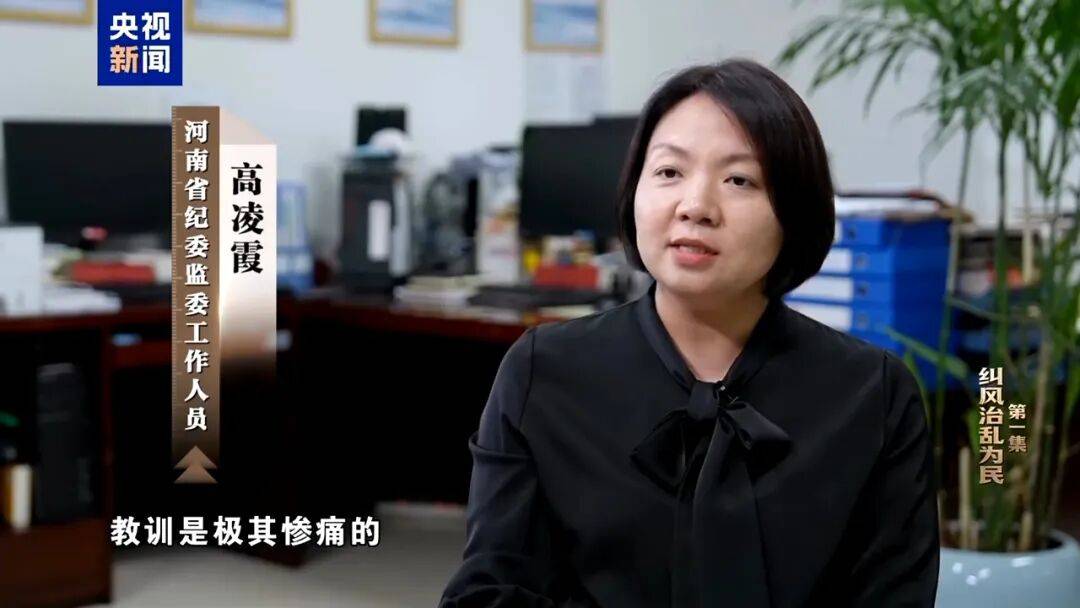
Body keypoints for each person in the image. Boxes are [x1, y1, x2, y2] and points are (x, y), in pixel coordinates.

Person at [439, 58, 940, 608]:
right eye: (669, 172)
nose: (696, 206)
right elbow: (486, 593)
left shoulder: (873, 396)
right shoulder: (543, 372)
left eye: (739, 180)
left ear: (793, 213)